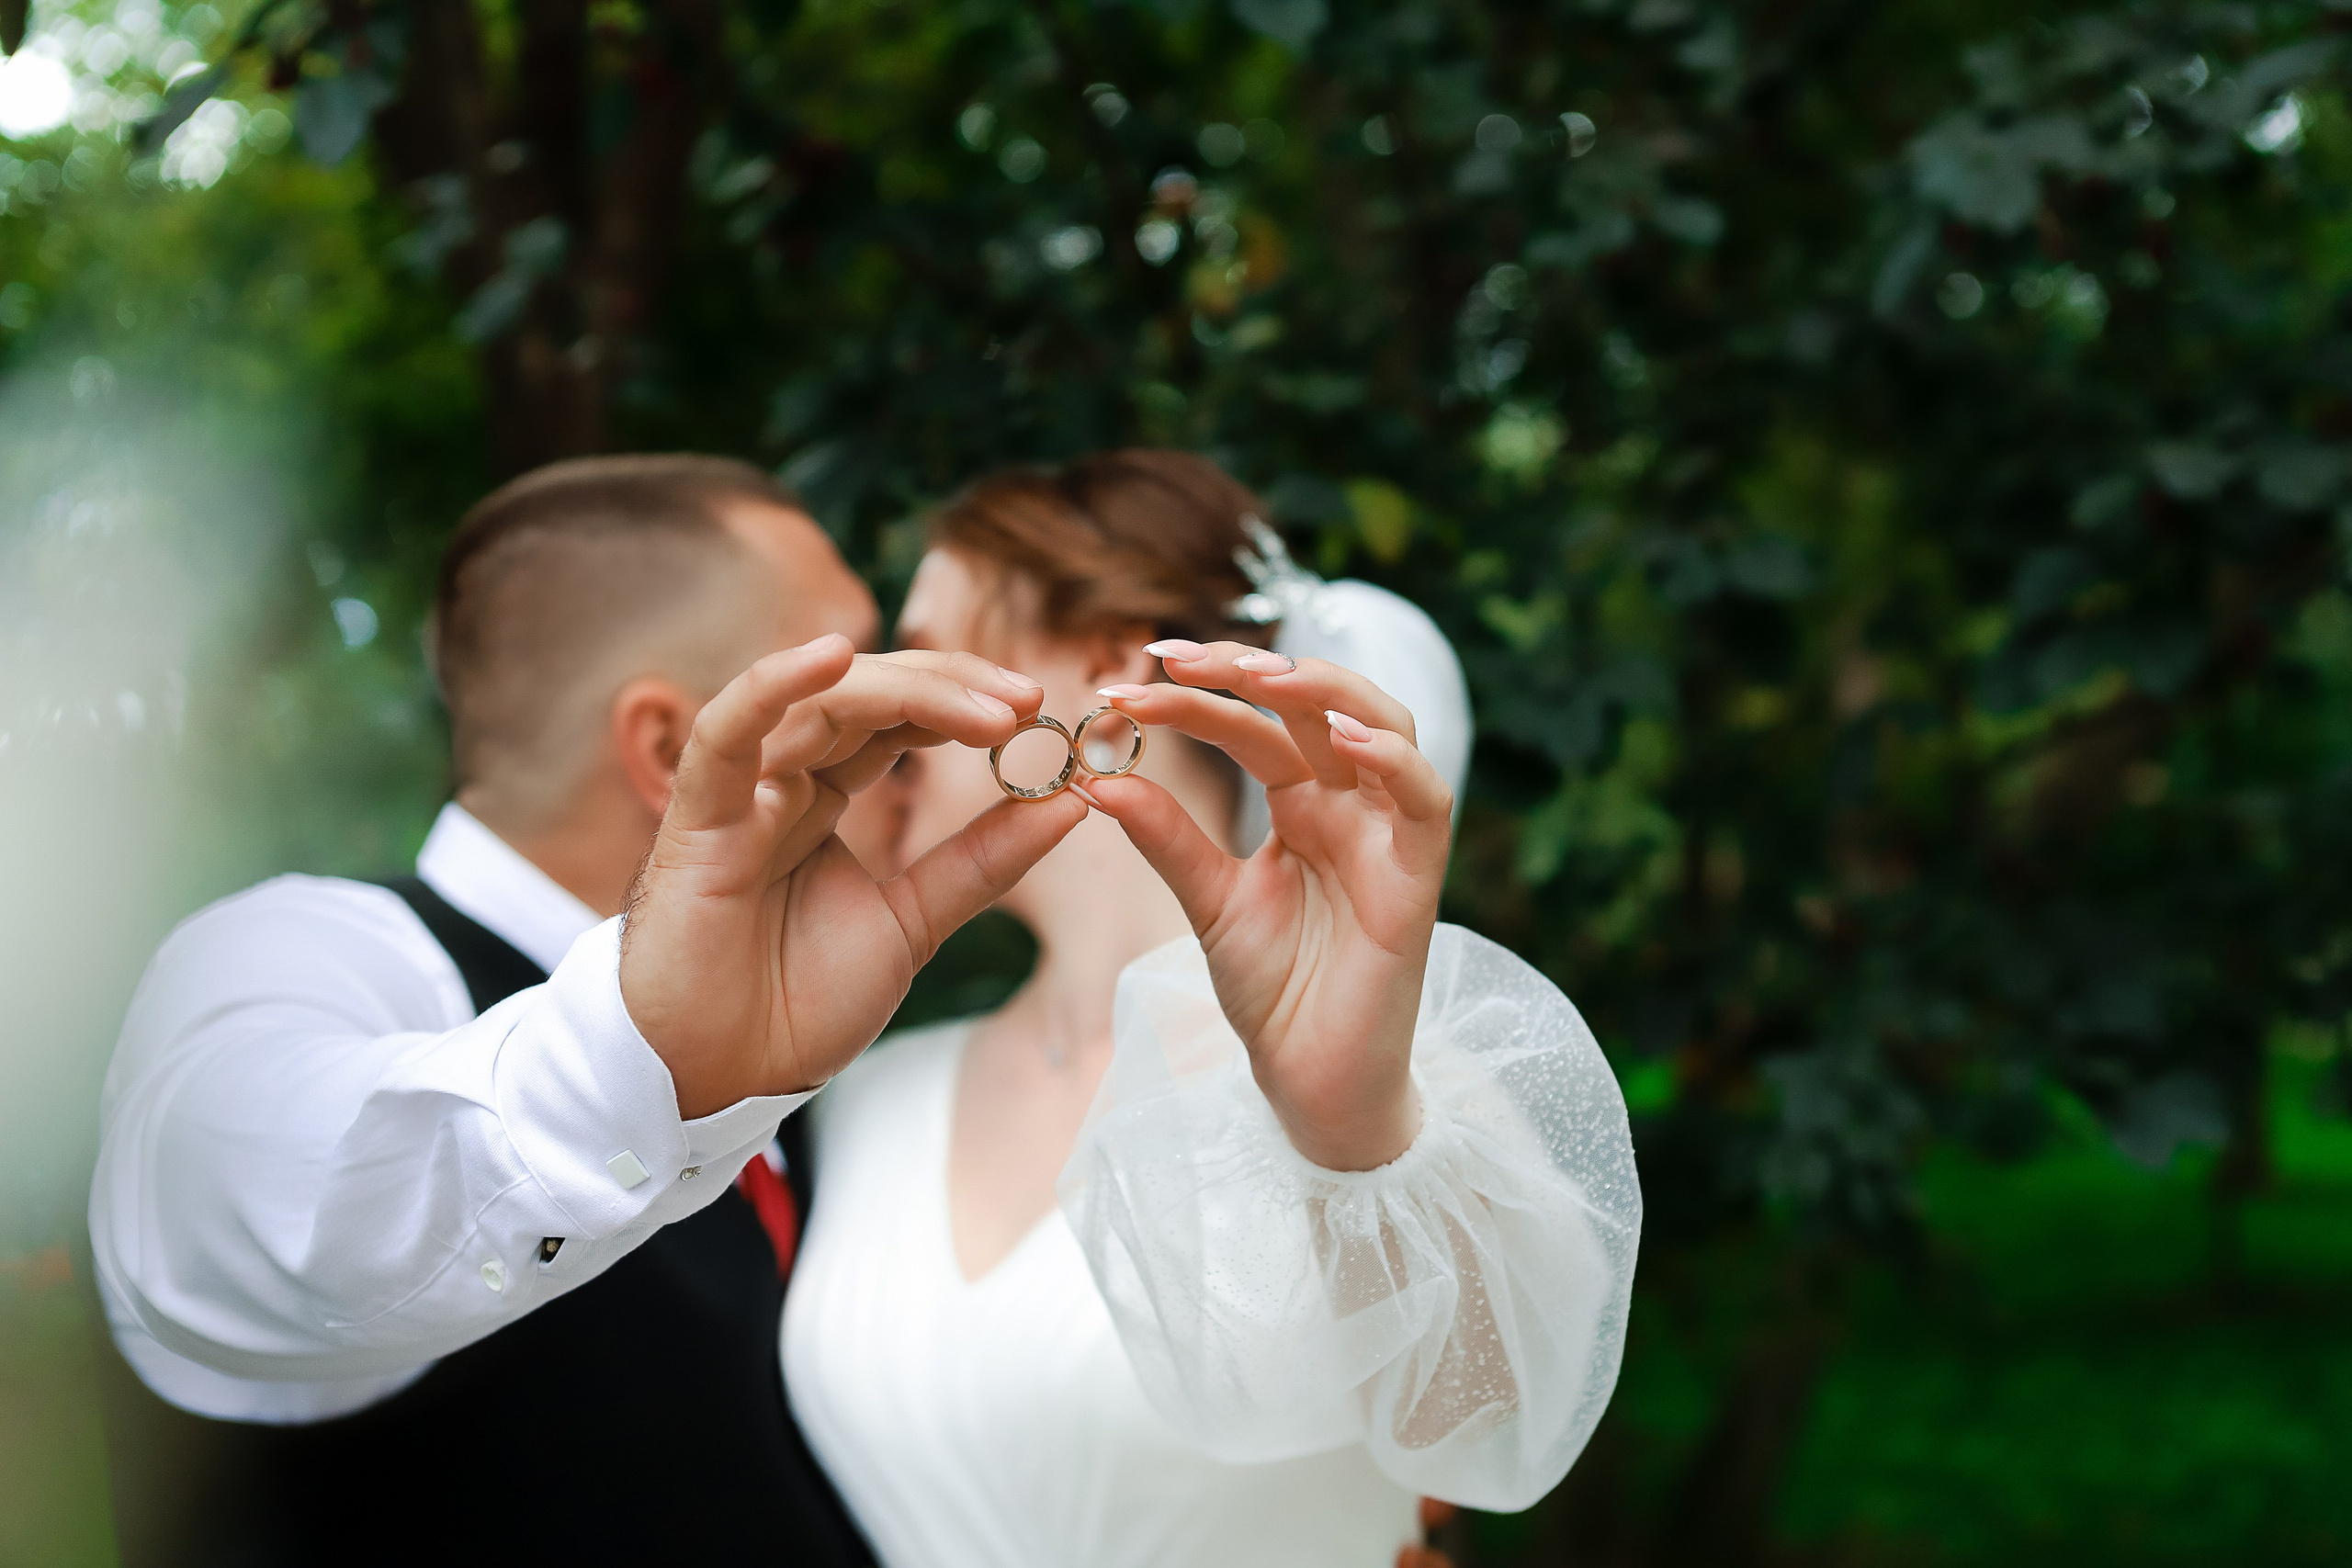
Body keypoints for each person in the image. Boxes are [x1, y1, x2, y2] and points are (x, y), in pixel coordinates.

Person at [84, 455, 1086, 1566]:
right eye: (859, 680)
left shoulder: (812, 1056)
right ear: (667, 748)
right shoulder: (303, 955)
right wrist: (645, 1058)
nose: (918, 736)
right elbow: (256, 1201)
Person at [780, 451, 1643, 1567]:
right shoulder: (870, 1094)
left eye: (928, 635)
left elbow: (1478, 1428)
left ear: (1100, 656)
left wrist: (1351, 1139)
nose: (882, 699)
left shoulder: (1408, 1102)